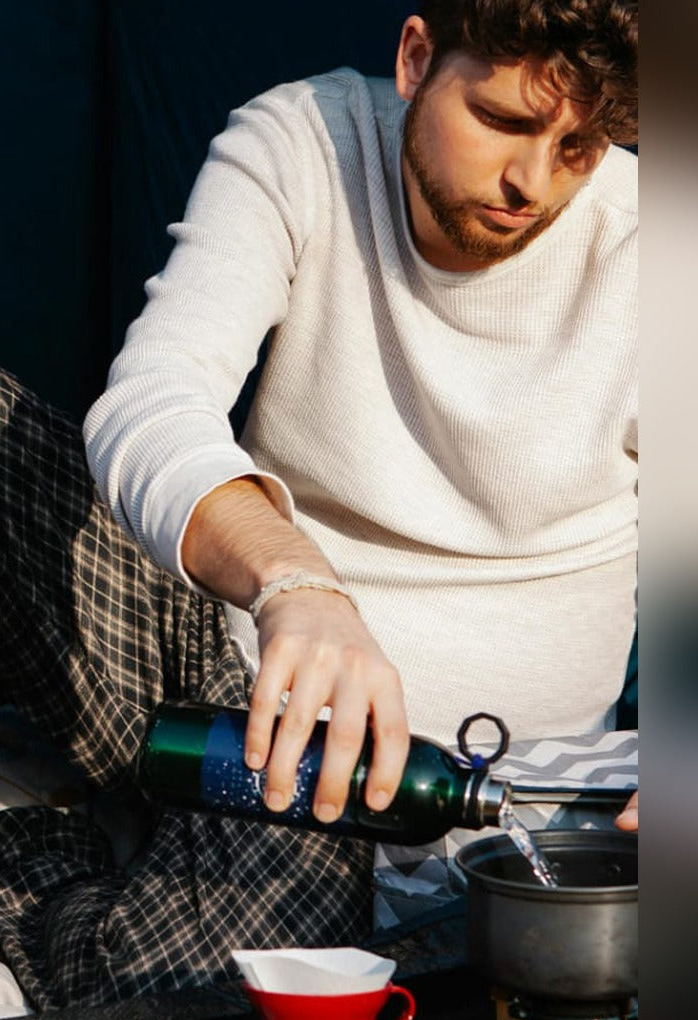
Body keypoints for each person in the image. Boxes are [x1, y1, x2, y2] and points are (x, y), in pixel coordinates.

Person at [84, 0, 639, 832]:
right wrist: (297, 585)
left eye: (578, 148)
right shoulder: (306, 141)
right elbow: (153, 400)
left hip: (541, 783)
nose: (531, 182)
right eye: (499, 119)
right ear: (416, 60)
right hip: (276, 729)